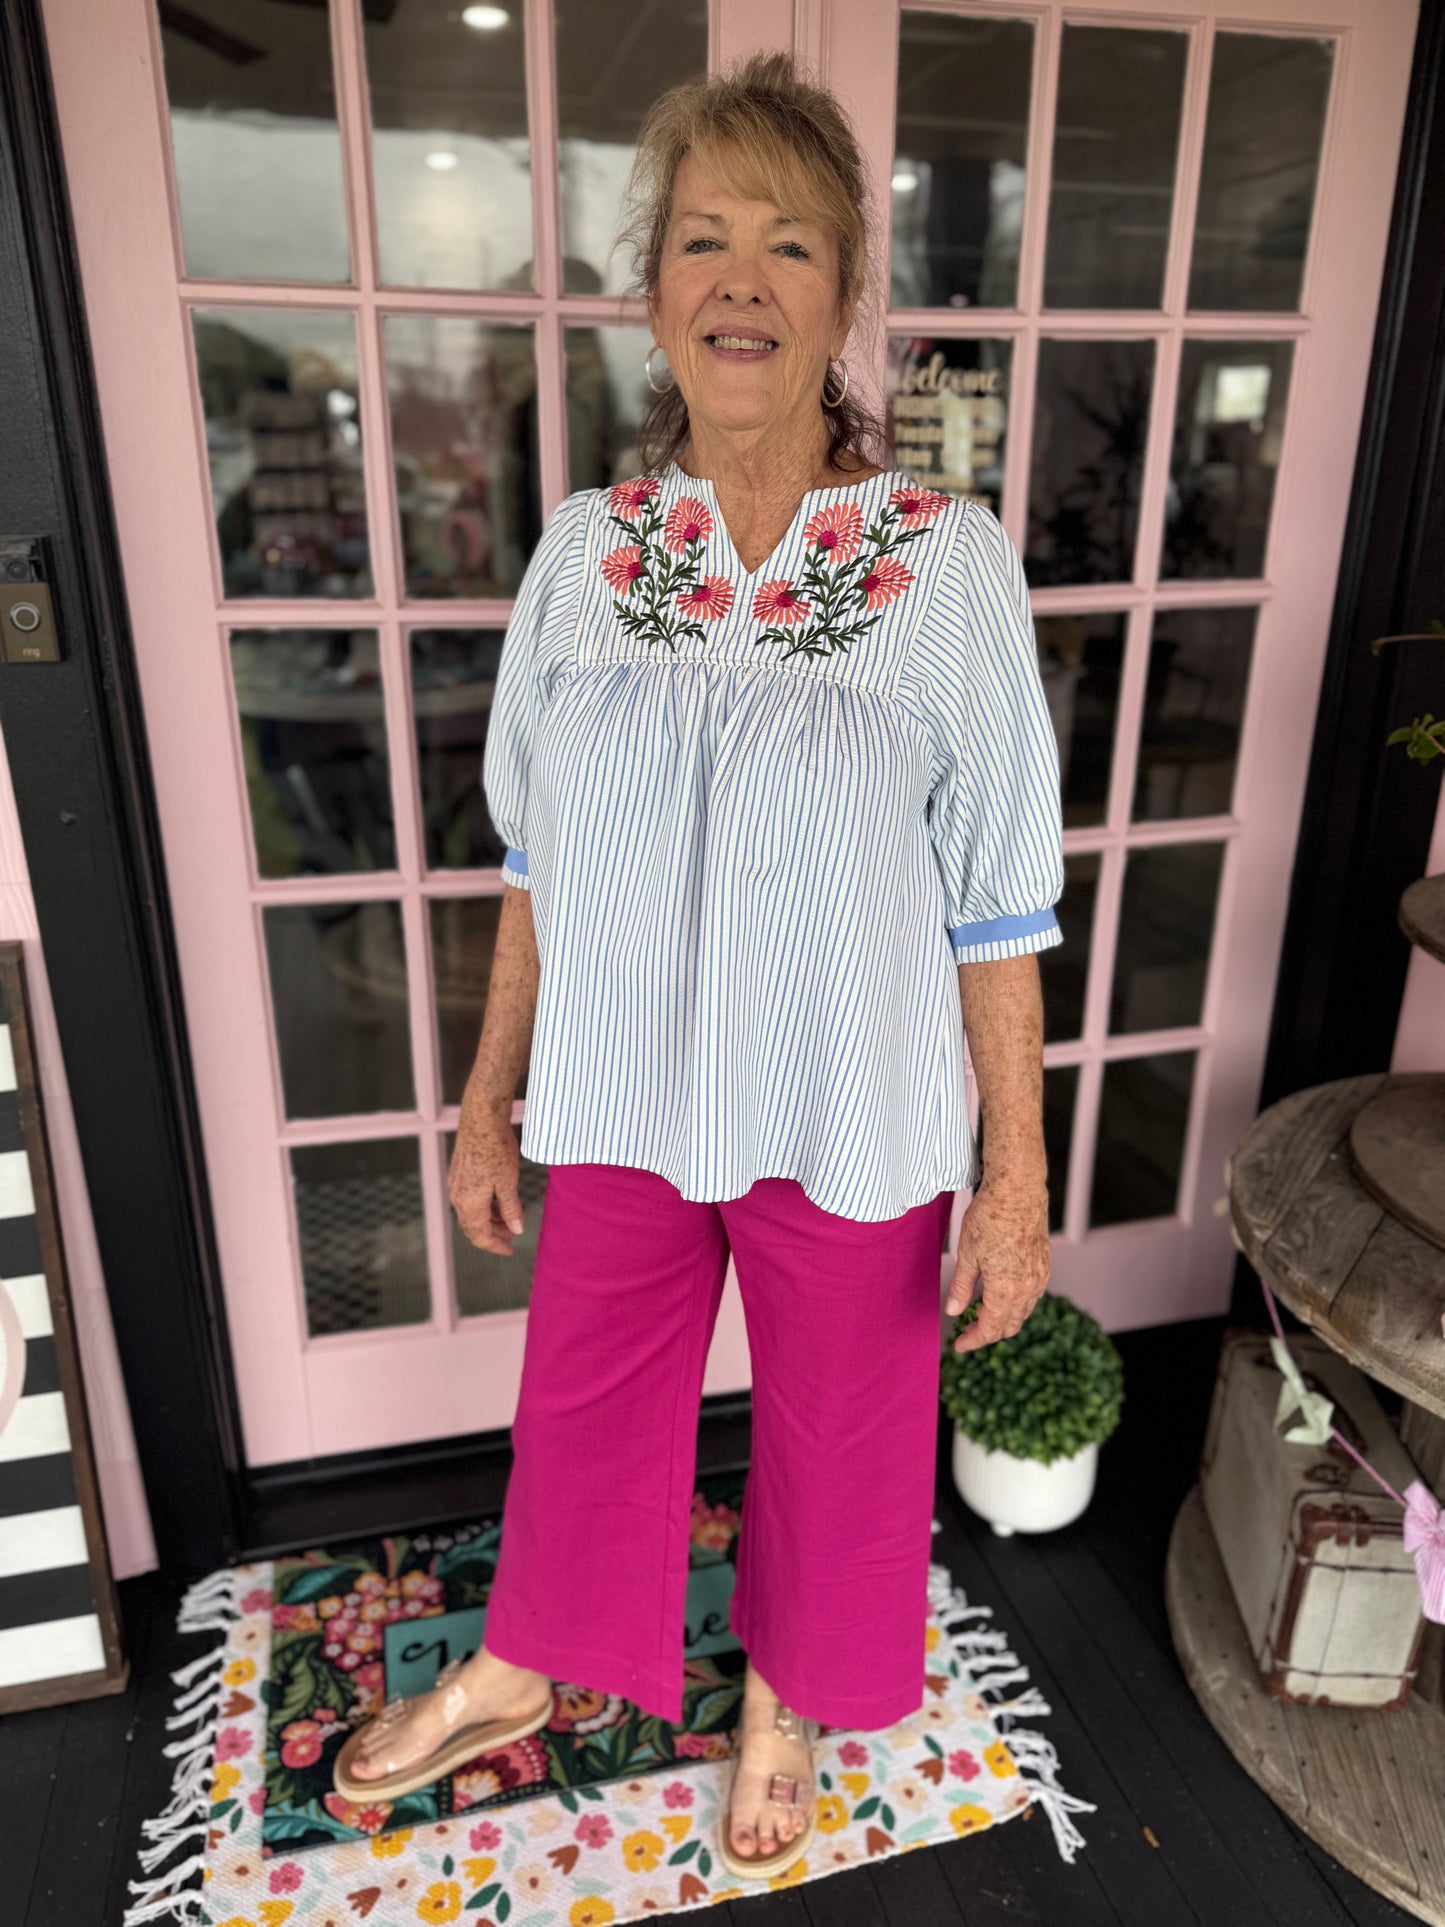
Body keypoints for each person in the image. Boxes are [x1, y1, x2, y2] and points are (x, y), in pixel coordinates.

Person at [334, 49, 1063, 1883]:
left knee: (843, 1421)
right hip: (625, 1094)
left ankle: (787, 1692)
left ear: (842, 304)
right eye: (702, 240)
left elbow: (995, 903)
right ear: (651, 293)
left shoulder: (941, 566)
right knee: (584, 1397)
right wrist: (490, 1090)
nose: (741, 280)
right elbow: (530, 857)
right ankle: (524, 1662)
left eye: (789, 245)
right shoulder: (586, 561)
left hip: (854, 1105)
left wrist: (1017, 1183)